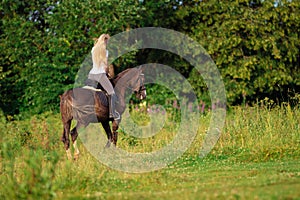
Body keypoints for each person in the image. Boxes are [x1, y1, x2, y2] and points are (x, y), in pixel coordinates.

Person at [85, 34, 120, 120]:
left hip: (91, 75)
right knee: (112, 93)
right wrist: (108, 73)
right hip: (100, 75)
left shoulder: (93, 50)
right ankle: (112, 113)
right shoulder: (105, 52)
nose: (107, 43)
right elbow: (105, 67)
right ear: (104, 41)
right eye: (107, 41)